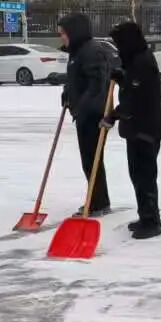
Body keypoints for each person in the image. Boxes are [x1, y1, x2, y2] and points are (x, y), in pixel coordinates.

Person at [107, 20, 161, 239]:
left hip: (145, 130)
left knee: (144, 177)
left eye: (119, 42)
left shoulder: (142, 61)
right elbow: (132, 86)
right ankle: (146, 216)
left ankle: (152, 222)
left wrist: (114, 115)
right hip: (138, 128)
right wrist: (123, 78)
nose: (117, 47)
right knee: (138, 176)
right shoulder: (136, 59)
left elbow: (136, 98)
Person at [59, 13, 114, 214]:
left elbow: (96, 85)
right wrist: (67, 94)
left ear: (74, 32)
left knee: (92, 160)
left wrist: (82, 107)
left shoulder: (92, 51)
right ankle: (99, 200)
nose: (62, 37)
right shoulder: (77, 52)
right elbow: (76, 79)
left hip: (94, 116)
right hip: (84, 114)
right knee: (89, 160)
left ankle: (98, 202)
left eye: (63, 33)